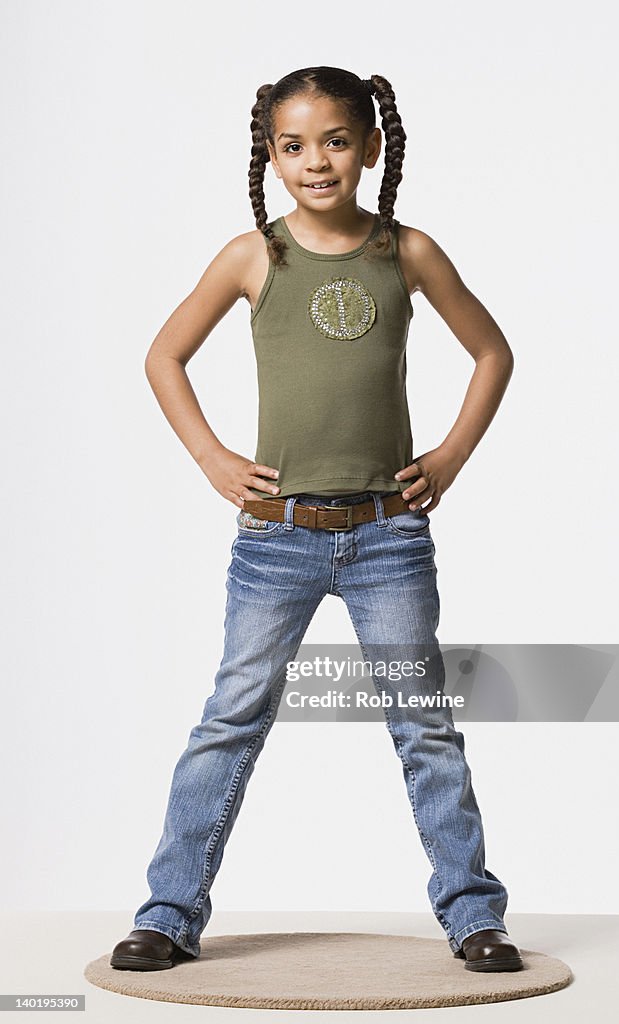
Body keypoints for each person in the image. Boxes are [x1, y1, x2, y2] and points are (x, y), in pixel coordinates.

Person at [111, 66, 522, 975]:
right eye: (292, 146)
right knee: (231, 716)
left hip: (387, 539)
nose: (315, 161)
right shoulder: (252, 256)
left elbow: (491, 351)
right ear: (269, 154)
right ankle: (168, 912)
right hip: (275, 540)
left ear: (370, 147)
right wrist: (214, 460)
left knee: (423, 724)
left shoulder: (405, 251)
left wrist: (447, 458)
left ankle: (472, 915)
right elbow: (163, 356)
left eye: (335, 140)